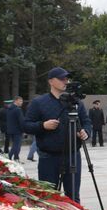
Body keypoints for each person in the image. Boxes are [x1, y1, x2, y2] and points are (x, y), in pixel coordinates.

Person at [23, 68, 91, 199]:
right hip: (48, 157)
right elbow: (26, 125)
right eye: (62, 79)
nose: (66, 81)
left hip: (72, 156)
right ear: (51, 81)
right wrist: (43, 125)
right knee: (49, 197)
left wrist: (85, 132)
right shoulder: (38, 103)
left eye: (67, 78)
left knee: (73, 196)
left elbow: (87, 122)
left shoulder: (76, 102)